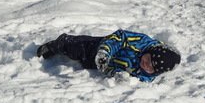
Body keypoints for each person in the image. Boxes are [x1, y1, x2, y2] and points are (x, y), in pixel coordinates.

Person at [36, 29, 181, 82]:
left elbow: (134, 80)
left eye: (150, 67)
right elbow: (121, 36)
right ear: (151, 51)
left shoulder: (145, 77)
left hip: (105, 65)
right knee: (76, 47)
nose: (146, 64)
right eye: (148, 59)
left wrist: (119, 77)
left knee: (85, 62)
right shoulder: (142, 42)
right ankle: (56, 45)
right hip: (102, 48)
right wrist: (105, 51)